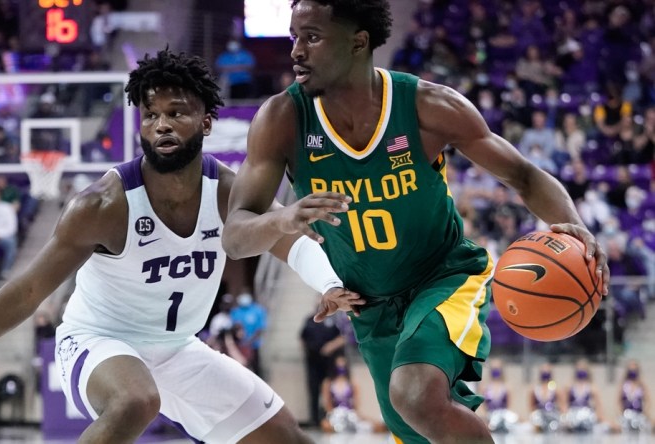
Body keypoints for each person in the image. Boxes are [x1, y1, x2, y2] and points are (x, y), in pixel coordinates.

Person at [0, 49, 361, 444]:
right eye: (151, 115)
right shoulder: (102, 204)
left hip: (177, 349)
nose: (162, 125)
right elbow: (27, 290)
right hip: (95, 341)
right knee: (134, 401)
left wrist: (331, 284)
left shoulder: (229, 191)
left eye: (177, 113)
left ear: (207, 122)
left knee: (286, 438)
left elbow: (289, 244)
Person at [221, 1, 609, 442]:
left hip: (442, 277)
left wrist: (574, 226)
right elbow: (235, 236)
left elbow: (522, 174)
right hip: (370, 306)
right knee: (418, 427)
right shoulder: (281, 119)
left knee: (414, 395)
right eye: (293, 37)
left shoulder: (426, 105)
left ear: (358, 41)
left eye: (311, 36)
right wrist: (284, 218)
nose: (295, 51)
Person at [563, 359, 607, 433]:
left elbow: (599, 406)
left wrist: (599, 417)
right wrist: (565, 416)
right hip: (572, 414)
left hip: (586, 415)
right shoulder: (569, 386)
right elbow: (564, 404)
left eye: (583, 369)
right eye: (579, 369)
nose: (581, 371)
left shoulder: (591, 387)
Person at [477, 359, 518, 433]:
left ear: (501, 370)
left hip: (503, 416)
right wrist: (486, 418)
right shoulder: (484, 387)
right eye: (494, 368)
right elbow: (482, 405)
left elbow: (509, 406)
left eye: (497, 368)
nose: (496, 371)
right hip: (490, 416)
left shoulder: (507, 387)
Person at [618, 359, 652, 433]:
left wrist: (645, 413)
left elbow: (648, 401)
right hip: (626, 415)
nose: (632, 371)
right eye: (631, 369)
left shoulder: (641, 385)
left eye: (634, 369)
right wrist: (621, 413)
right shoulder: (623, 385)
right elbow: (618, 401)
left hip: (639, 415)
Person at [529, 363, 563, 433]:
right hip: (540, 415)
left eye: (547, 371)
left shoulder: (555, 388)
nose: (545, 373)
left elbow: (562, 405)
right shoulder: (535, 389)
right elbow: (531, 407)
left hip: (552, 414)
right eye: (543, 371)